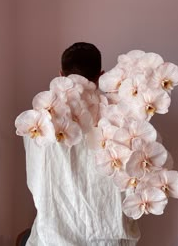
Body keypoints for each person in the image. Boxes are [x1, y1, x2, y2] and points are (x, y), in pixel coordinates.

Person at [23, 42, 140, 246]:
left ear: (60, 75)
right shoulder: (123, 119)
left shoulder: (39, 122)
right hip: (110, 237)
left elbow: (36, 181)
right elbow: (133, 185)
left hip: (53, 237)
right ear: (101, 74)